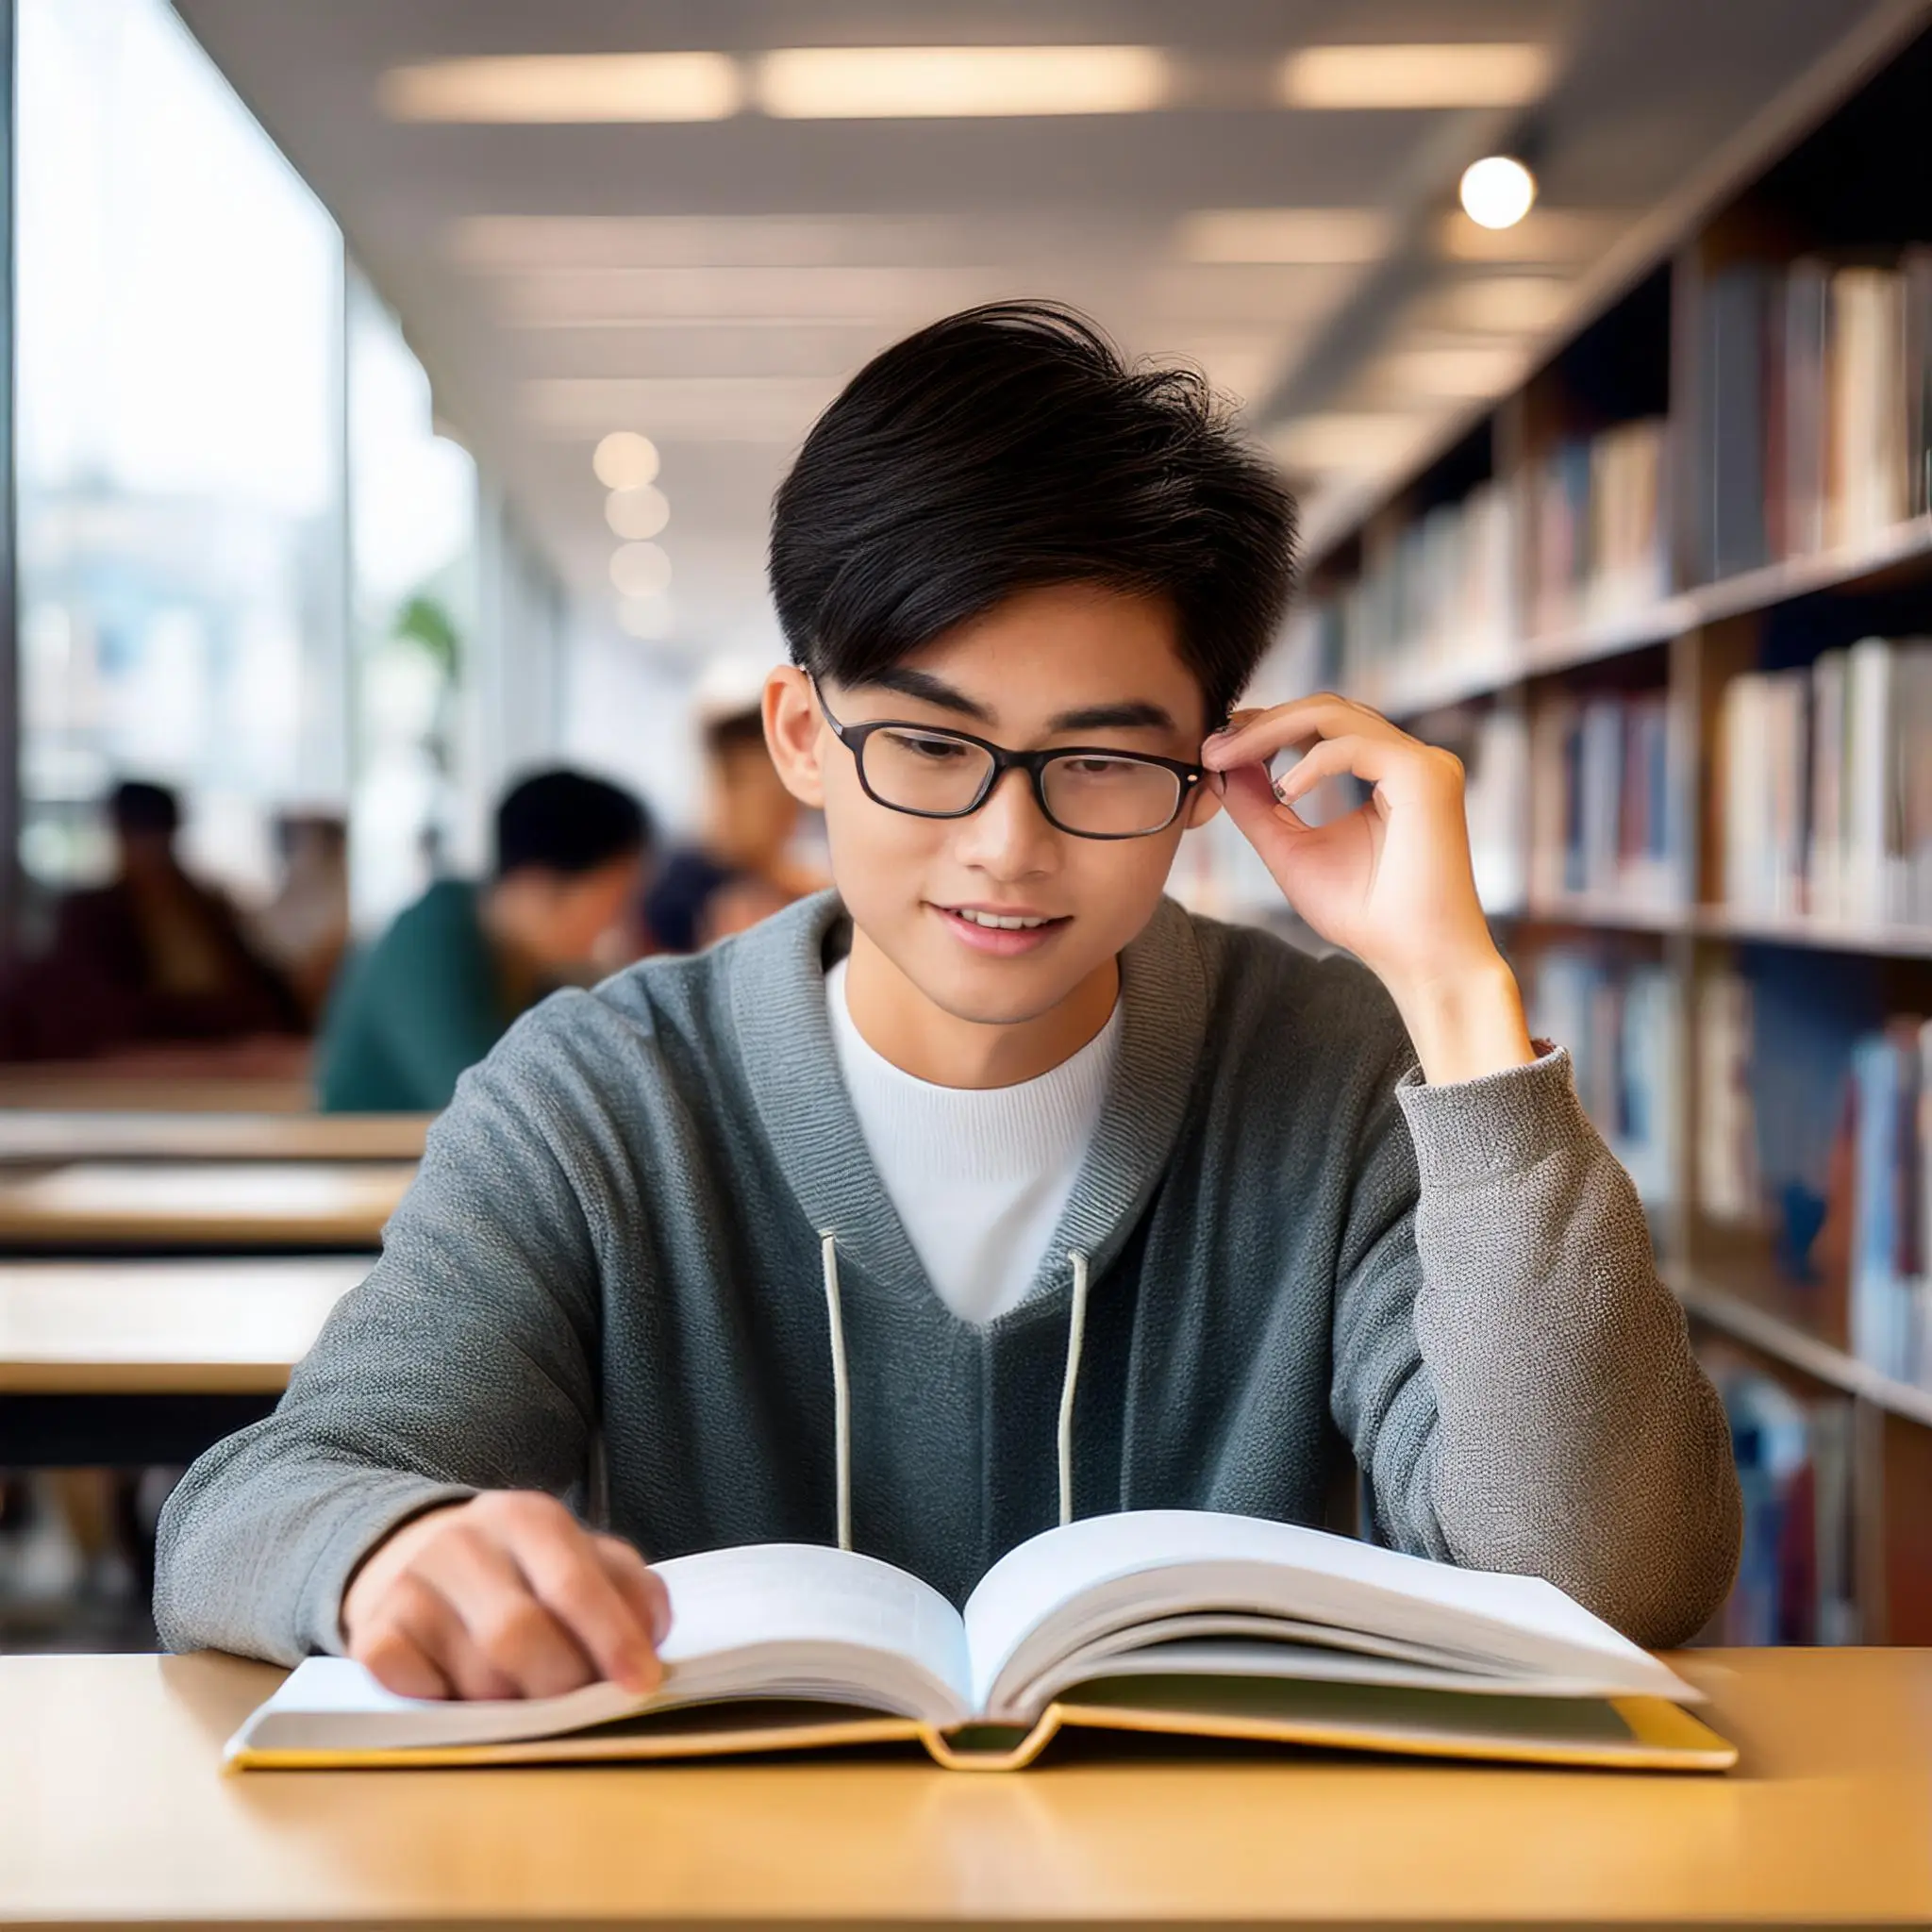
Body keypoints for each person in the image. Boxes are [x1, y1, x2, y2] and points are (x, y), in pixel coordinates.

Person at [155, 304, 1740, 1700]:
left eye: (1100, 759)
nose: (1007, 844)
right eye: (926, 744)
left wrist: (1453, 991)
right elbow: (257, 1503)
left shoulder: (1337, 1074)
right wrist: (394, 1546)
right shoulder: (598, 1093)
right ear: (797, 736)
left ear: (1208, 778)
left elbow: (1605, 1576)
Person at [314, 769, 651, 1114]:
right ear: (542, 886)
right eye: (615, 901)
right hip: (358, 1160)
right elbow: (486, 1106)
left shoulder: (529, 964)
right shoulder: (428, 941)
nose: (616, 924)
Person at [0, 780, 305, 1060]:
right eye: (141, 835)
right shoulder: (93, 912)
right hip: (144, 1065)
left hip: (226, 1056)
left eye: (156, 835)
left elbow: (267, 992)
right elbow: (98, 1015)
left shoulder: (207, 908)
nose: (150, 850)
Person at [641, 672, 821, 953]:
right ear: (725, 789)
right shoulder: (676, 898)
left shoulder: (778, 883)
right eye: (776, 799)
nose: (794, 813)